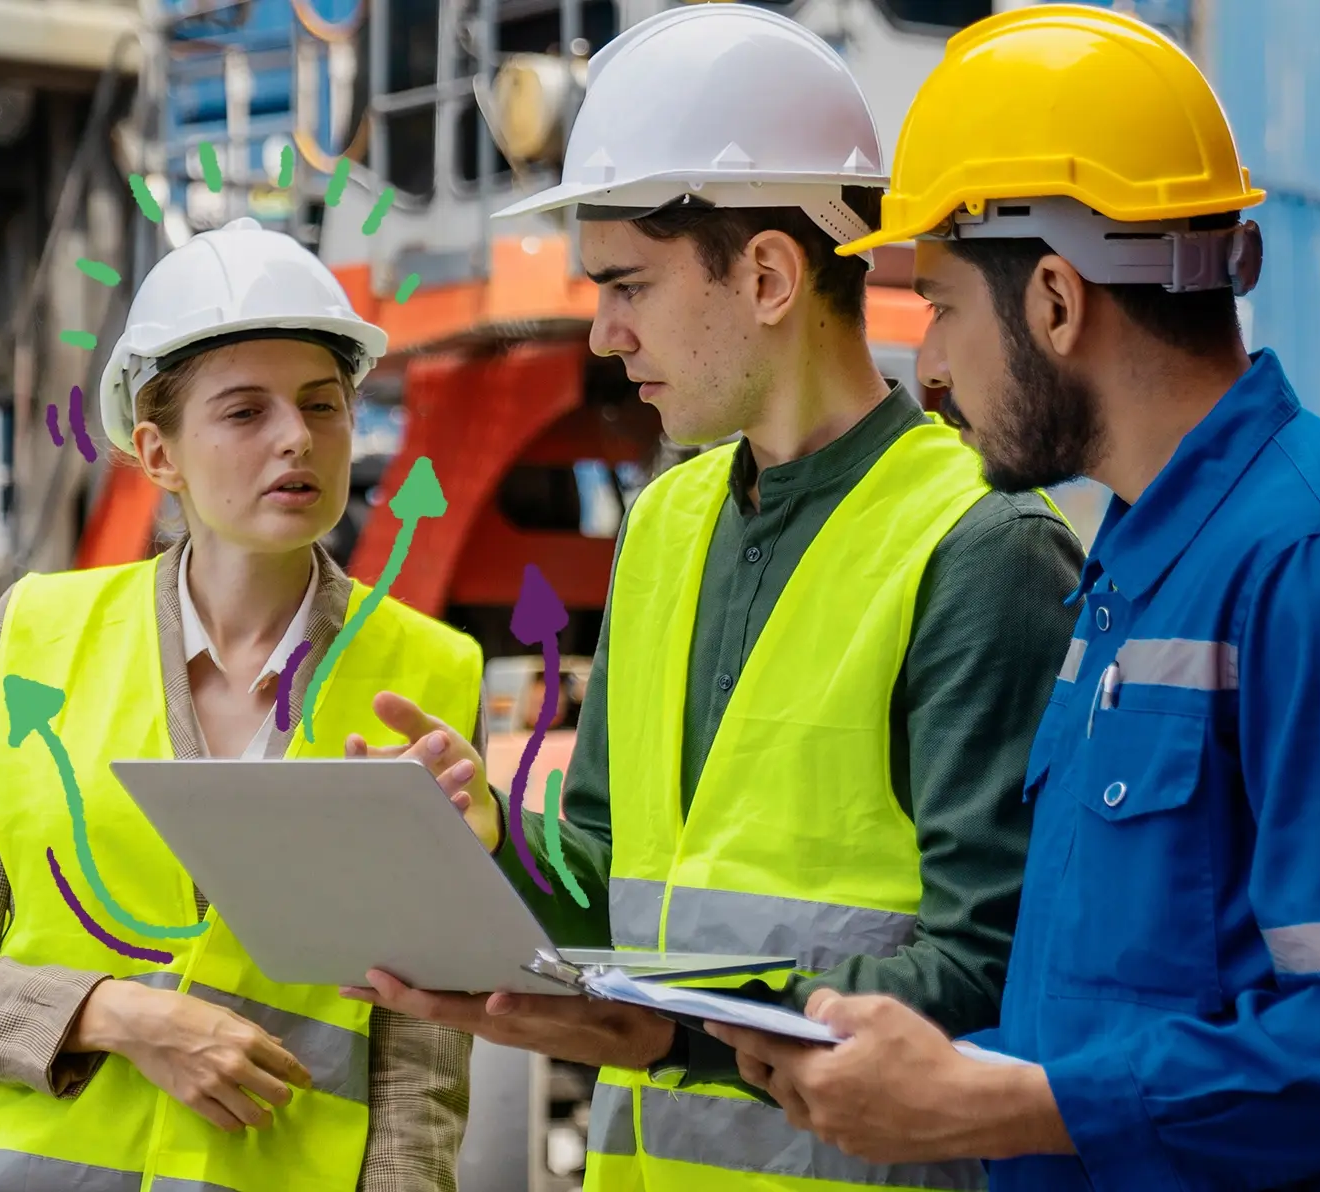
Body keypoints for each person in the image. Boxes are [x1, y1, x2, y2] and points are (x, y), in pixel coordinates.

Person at [703, 8, 1320, 1191]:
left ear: (1052, 299)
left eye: (938, 307)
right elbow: (1131, 994)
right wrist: (930, 1071)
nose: (924, 369)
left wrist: (1013, 1101)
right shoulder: (1140, 563)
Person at [336, 7, 1085, 1191]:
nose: (603, 330)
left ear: (771, 274)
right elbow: (616, 888)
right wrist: (491, 841)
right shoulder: (665, 525)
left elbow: (996, 976)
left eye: (628, 284)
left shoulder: (979, 548)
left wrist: (678, 1034)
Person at [0, 217, 489, 1192]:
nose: (295, 438)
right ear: (158, 454)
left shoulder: (428, 675)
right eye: (244, 413)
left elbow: (419, 1057)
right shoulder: (36, 636)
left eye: (323, 405)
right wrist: (120, 1015)